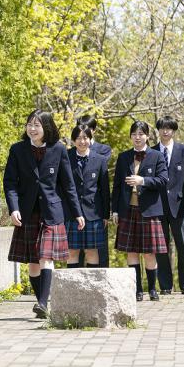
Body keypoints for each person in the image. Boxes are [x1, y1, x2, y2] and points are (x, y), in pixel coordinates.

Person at [4, 110, 84, 318]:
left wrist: (77, 213)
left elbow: (68, 185)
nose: (32, 128)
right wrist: (13, 208)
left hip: (52, 211)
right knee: (33, 262)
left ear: (46, 128)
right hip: (27, 212)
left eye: (37, 125)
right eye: (29, 124)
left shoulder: (59, 150)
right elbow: (10, 183)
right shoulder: (17, 150)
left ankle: (41, 302)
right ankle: (42, 304)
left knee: (46, 257)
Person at [111, 120, 168, 301]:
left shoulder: (157, 156)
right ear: (131, 136)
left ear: (148, 136)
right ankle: (136, 290)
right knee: (132, 252)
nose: (138, 137)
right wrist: (114, 211)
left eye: (141, 134)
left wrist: (142, 180)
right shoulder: (123, 157)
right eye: (134, 134)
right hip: (128, 210)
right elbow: (118, 186)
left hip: (149, 210)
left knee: (149, 252)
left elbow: (163, 180)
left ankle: (152, 289)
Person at [152, 115, 184, 295]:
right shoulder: (153, 151)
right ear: (159, 130)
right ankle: (165, 286)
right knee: (161, 246)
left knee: (182, 246)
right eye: (162, 128)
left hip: (180, 206)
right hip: (158, 206)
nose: (165, 131)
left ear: (173, 130)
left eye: (169, 128)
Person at [64, 124, 110, 268]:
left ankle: (93, 289)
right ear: (73, 140)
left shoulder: (100, 159)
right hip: (71, 212)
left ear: (90, 139)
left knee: (92, 251)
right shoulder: (66, 157)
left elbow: (105, 189)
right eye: (78, 138)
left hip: (94, 213)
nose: (82, 141)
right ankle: (72, 289)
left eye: (85, 138)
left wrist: (105, 214)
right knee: (72, 251)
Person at [77, 114, 112, 267]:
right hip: (76, 207)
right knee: (75, 249)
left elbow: (103, 184)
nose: (85, 132)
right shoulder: (72, 152)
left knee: (100, 248)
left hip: (95, 208)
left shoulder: (103, 150)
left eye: (89, 129)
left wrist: (106, 212)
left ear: (94, 130)